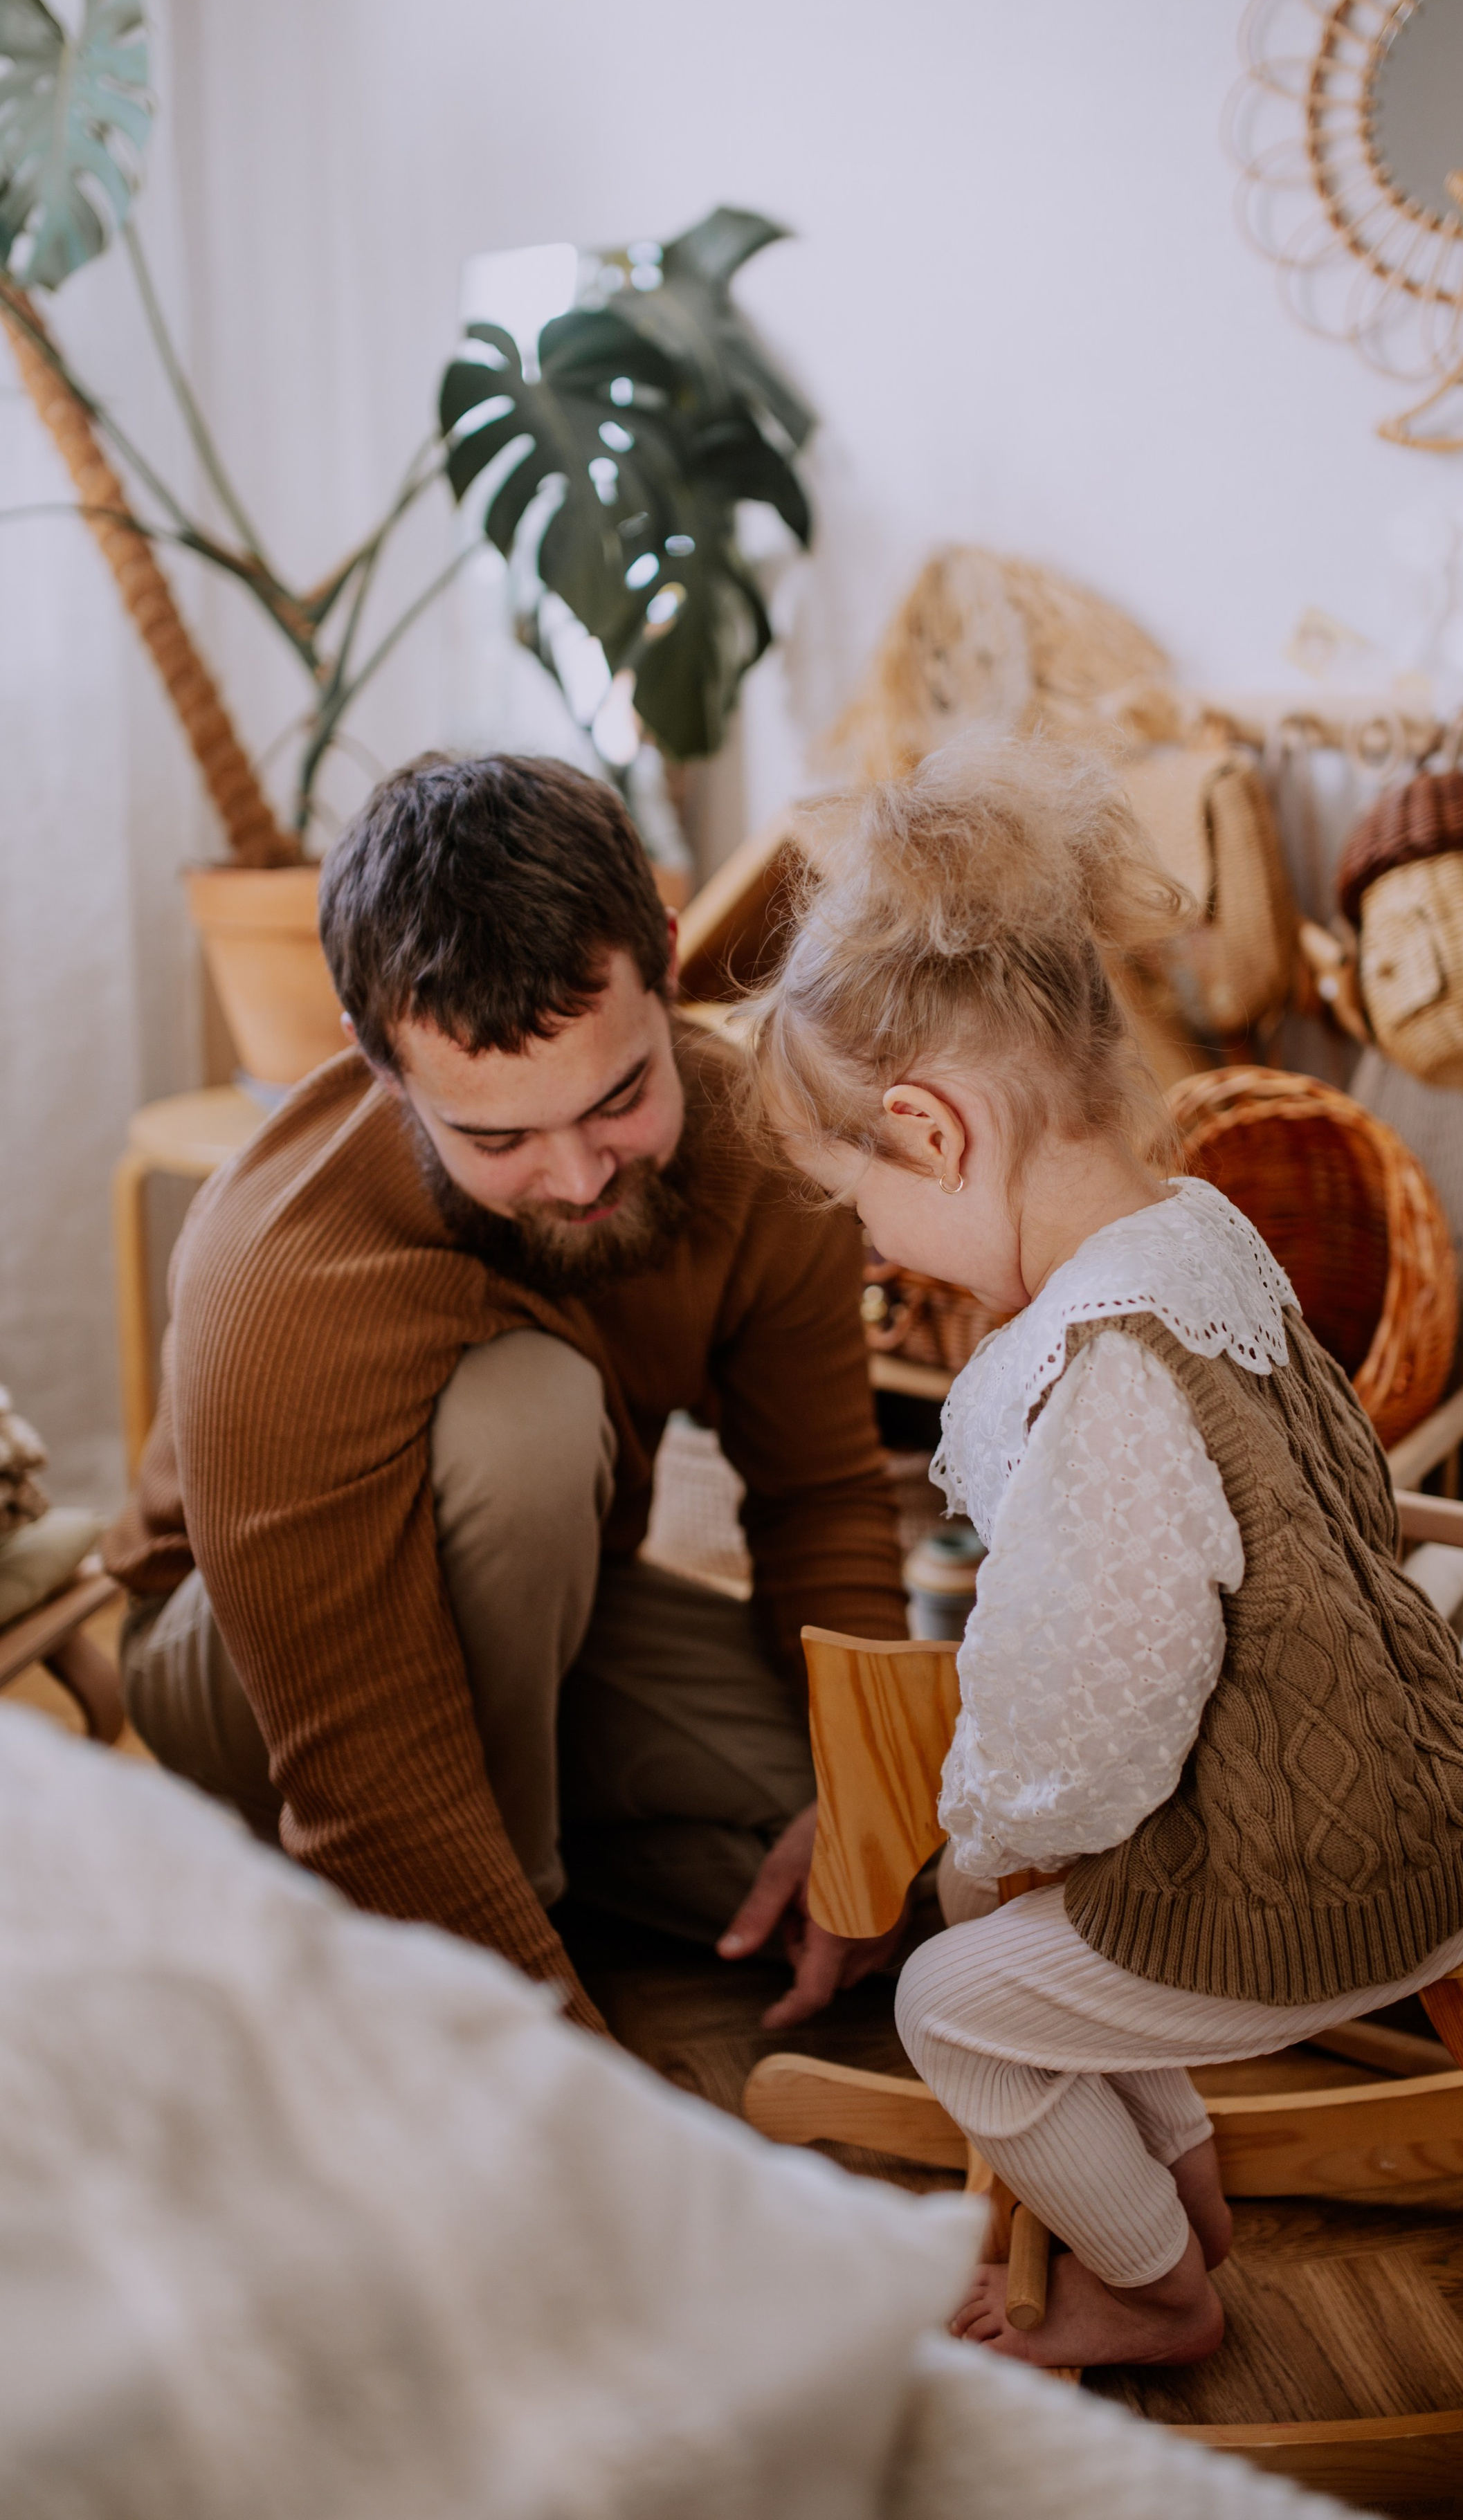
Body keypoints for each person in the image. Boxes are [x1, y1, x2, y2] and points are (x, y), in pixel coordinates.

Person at [742, 742, 1463, 2368]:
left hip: (1328, 1885)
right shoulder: (1203, 1243)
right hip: (1440, 1799)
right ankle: (1168, 2157)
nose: (875, 1251)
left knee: (950, 1997)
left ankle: (1151, 2287)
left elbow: (1089, 1698)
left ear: (929, 1130)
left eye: (856, 1207)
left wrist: (974, 1836)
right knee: (1047, 1903)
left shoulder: (1100, 1369)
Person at [102, 752, 910, 2037]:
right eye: (498, 1139)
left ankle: (452, 1899)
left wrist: (866, 1797)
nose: (582, 1175)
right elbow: (364, 1774)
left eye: (621, 1095)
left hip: (549, 1608)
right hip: (247, 1658)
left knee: (897, 1857)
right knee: (526, 1420)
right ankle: (469, 1923)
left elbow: (816, 1500)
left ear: (661, 953)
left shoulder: (762, 1138)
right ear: (380, 1061)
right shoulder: (278, 1274)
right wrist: (569, 2087)